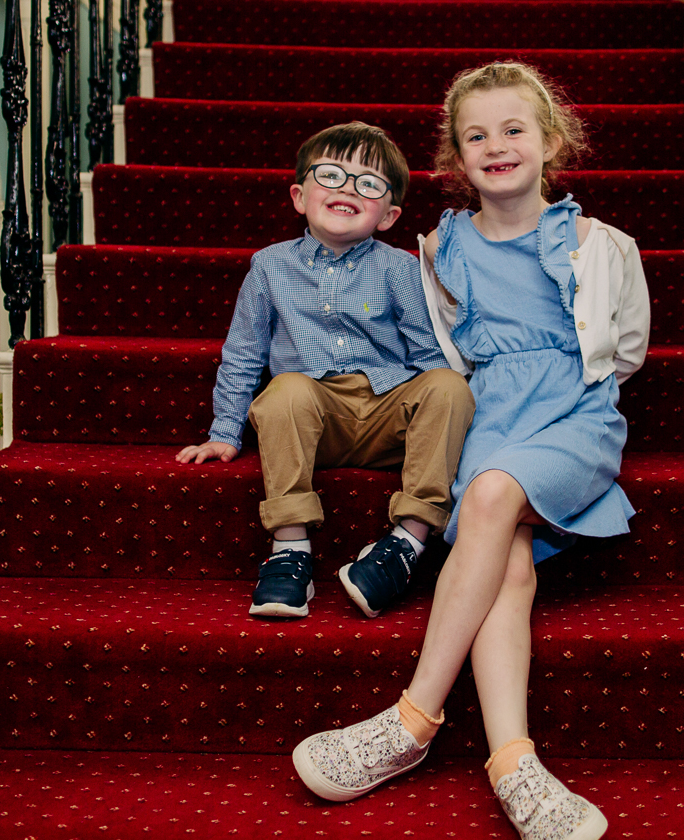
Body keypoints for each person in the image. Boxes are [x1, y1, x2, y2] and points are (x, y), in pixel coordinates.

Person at [290, 63, 650, 840]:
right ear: (455, 156)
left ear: (551, 141)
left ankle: (412, 720)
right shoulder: (437, 247)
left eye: (514, 129)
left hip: (573, 417)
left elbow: (625, 351)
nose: (497, 146)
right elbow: (435, 340)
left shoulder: (601, 245)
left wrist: (560, 392)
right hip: (490, 417)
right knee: (508, 559)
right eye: (476, 134)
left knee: (490, 495)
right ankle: (517, 767)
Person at [176, 122, 474, 621]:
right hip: (313, 415)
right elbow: (244, 351)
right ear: (299, 196)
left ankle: (406, 543)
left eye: (368, 183)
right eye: (331, 176)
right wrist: (224, 431)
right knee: (284, 390)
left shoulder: (399, 267)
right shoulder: (270, 266)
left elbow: (427, 351)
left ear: (388, 215)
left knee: (449, 386)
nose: (347, 189)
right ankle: (290, 551)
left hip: (387, 413)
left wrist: (451, 419)